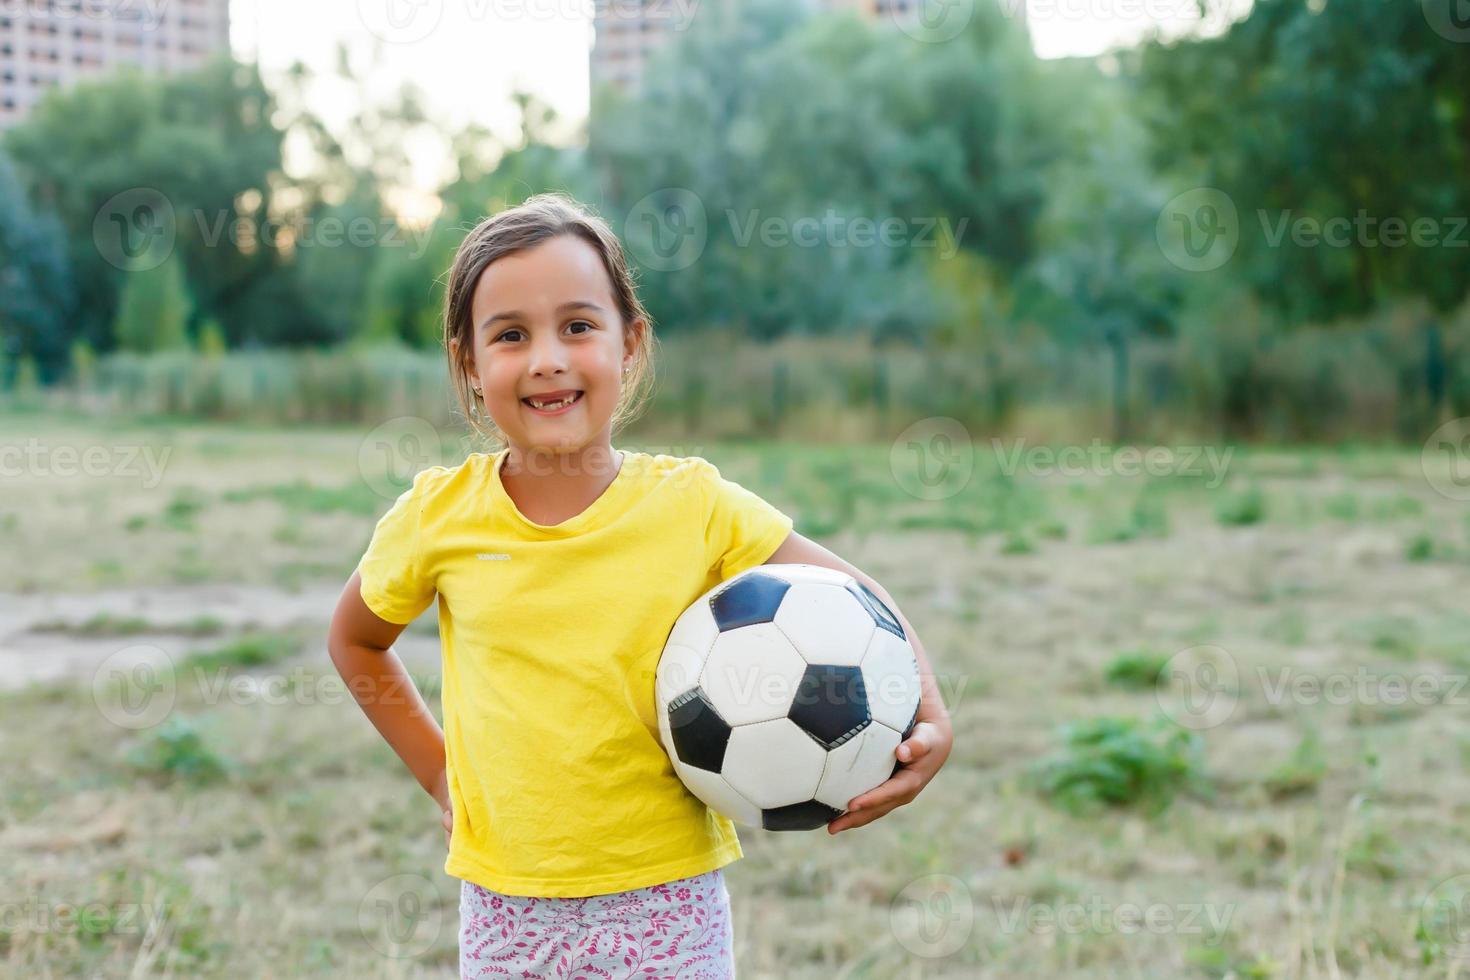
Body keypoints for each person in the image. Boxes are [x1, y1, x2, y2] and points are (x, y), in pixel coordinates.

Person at [326, 192, 953, 978]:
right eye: (511, 335)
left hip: (667, 899)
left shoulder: (692, 504)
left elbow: (863, 599)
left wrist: (931, 712)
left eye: (578, 326)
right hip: (504, 901)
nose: (548, 357)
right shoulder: (438, 516)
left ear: (631, 343)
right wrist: (439, 770)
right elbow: (355, 638)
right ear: (470, 366)